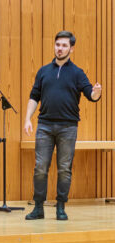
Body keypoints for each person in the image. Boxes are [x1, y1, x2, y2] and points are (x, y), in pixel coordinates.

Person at [24, 31, 102, 221]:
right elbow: (34, 96)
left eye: (64, 45)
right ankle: (38, 207)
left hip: (68, 128)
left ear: (71, 49)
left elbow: (90, 95)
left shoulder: (77, 73)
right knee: (40, 167)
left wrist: (96, 93)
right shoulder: (43, 71)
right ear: (54, 46)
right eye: (57, 44)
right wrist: (27, 119)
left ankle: (60, 207)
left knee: (64, 168)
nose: (60, 48)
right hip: (44, 126)